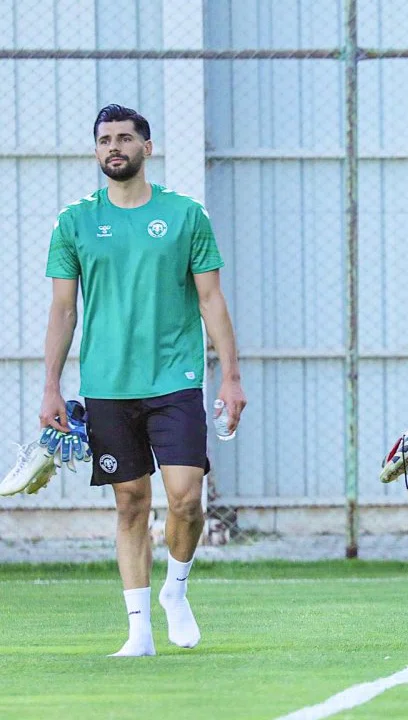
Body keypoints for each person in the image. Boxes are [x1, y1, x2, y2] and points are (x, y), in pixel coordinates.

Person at [42, 104, 247, 656]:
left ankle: (175, 590)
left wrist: (230, 376)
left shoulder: (185, 215)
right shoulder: (74, 221)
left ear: (146, 148)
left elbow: (211, 300)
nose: (114, 147)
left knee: (186, 497)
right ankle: (139, 632)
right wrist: (50, 387)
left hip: (175, 377)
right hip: (107, 384)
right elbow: (63, 310)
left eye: (125, 138)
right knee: (131, 503)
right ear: (96, 150)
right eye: (105, 139)